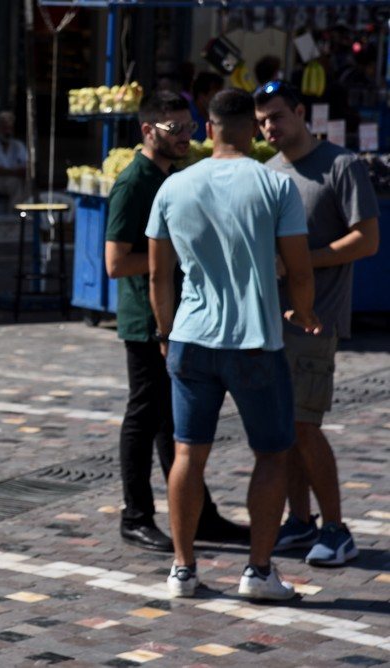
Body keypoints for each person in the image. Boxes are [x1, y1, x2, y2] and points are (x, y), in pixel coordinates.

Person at [146, 89, 321, 601]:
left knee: (187, 454)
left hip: (190, 338)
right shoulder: (274, 184)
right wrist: (305, 310)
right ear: (252, 129)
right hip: (254, 341)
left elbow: (159, 277)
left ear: (207, 128)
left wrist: (163, 332)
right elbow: (300, 267)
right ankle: (259, 571)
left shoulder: (174, 186)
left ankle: (183, 569)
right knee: (271, 454)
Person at [105, 90, 249, 553]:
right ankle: (136, 516)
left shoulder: (178, 174)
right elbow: (114, 262)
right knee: (145, 417)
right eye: (175, 129)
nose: (186, 136)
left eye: (190, 127)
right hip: (144, 321)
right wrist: (165, 258)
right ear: (148, 131)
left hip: (181, 315)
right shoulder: (134, 182)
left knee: (176, 421)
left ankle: (197, 514)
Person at [254, 81, 380, 566]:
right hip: (271, 319)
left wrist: (303, 260)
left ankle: (336, 528)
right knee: (281, 430)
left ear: (302, 112)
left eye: (278, 117)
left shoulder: (342, 165)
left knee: (304, 427)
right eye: (263, 120)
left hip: (316, 320)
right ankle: (300, 521)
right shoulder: (265, 172)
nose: (270, 127)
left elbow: (366, 241)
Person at [0, 110, 30, 205]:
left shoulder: (18, 145)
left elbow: (27, 165)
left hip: (17, 178)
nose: (7, 132)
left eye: (10, 128)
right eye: (4, 128)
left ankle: (23, 213)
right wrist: (15, 172)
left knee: (26, 183)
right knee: (15, 183)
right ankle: (15, 213)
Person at [187, 71, 223, 142]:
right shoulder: (187, 116)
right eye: (216, 96)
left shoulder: (220, 116)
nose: (221, 99)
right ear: (201, 96)